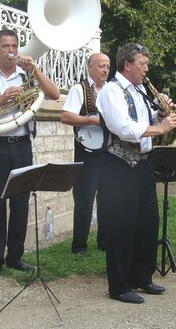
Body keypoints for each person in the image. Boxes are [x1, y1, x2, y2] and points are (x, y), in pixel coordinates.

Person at [0, 29, 60, 283]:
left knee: (20, 203)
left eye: (14, 46)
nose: (10, 51)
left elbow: (54, 94)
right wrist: (1, 99)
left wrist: (36, 69)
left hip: (21, 146)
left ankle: (15, 256)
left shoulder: (27, 72)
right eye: (5, 46)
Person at [96, 43, 176, 304]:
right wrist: (161, 129)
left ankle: (141, 277)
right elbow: (124, 128)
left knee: (147, 223)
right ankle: (119, 286)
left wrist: (160, 116)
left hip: (143, 164)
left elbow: (146, 123)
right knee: (122, 227)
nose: (146, 69)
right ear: (127, 65)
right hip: (118, 166)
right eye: (142, 64)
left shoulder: (140, 90)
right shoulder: (112, 91)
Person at [61, 52, 111, 256]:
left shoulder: (111, 90)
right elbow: (65, 116)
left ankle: (105, 241)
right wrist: (92, 120)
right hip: (86, 152)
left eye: (108, 66)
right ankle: (79, 245)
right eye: (101, 66)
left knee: (108, 197)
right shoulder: (78, 89)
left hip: (109, 151)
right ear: (90, 68)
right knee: (84, 198)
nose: (105, 70)